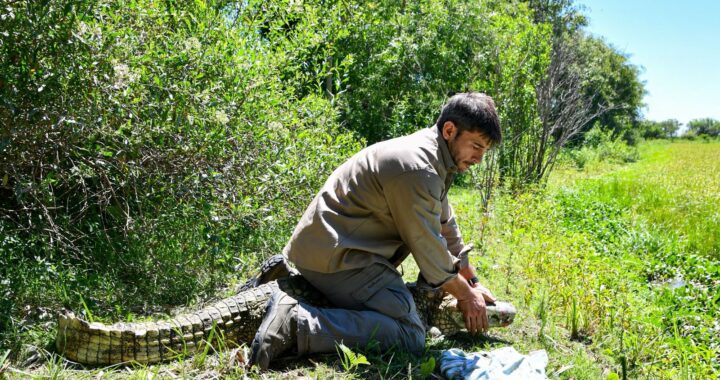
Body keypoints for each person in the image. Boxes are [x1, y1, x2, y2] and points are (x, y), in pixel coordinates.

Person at [249, 92, 502, 370]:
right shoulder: (419, 169)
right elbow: (430, 254)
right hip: (337, 257)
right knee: (410, 335)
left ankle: (300, 291)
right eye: (475, 146)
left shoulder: (433, 157)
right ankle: (298, 323)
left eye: (484, 151)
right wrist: (465, 295)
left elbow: (447, 228)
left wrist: (473, 282)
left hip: (341, 248)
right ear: (450, 130)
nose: (479, 158)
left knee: (405, 317)